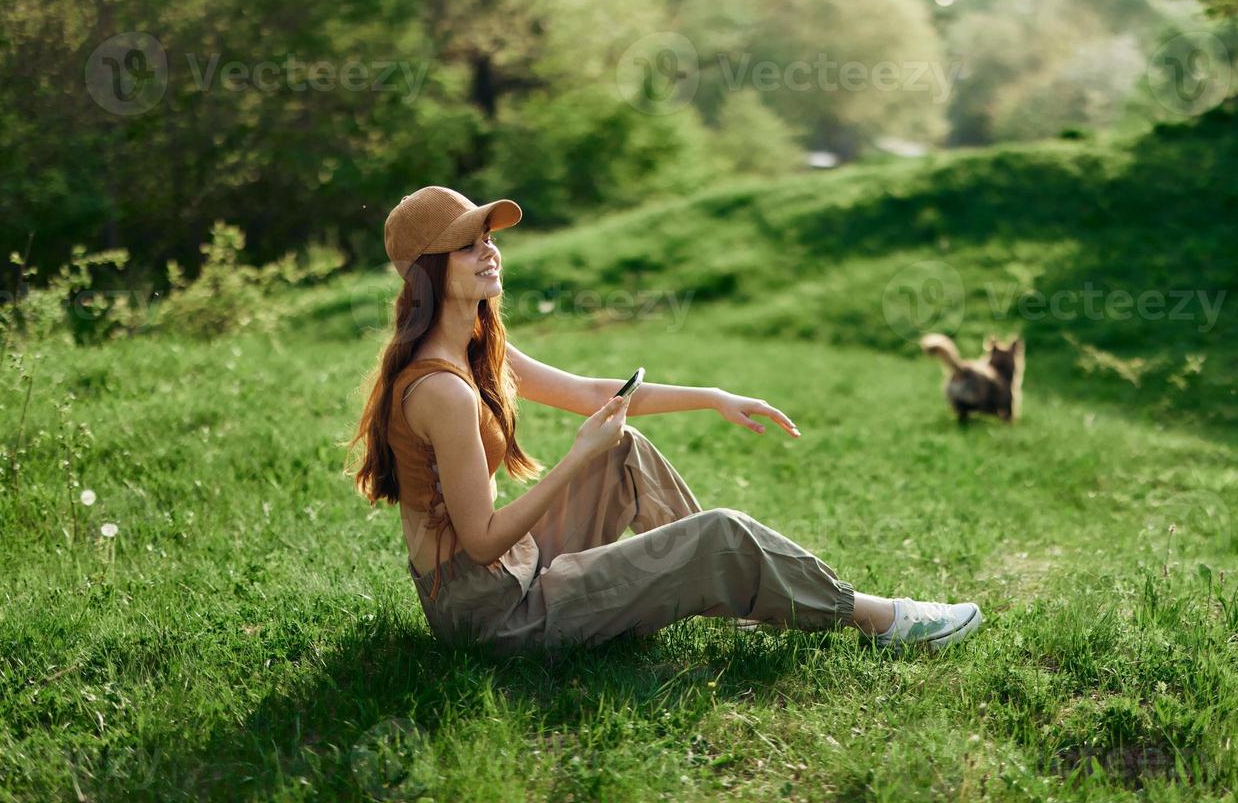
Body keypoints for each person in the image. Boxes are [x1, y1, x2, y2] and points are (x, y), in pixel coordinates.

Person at [345, 186, 983, 656]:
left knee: (625, 450)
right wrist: (576, 458)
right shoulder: (441, 389)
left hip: (514, 571)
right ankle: (882, 621)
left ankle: (735, 589)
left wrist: (712, 395)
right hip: (492, 618)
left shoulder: (476, 348)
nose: (489, 253)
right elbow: (480, 541)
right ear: (429, 270)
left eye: (489, 238)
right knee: (718, 532)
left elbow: (592, 392)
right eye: (468, 246)